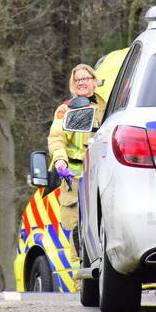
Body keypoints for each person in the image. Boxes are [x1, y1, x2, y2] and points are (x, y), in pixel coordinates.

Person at [48, 64, 107, 281]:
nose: (81, 83)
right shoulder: (69, 109)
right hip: (75, 176)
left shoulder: (107, 106)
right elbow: (57, 139)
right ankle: (84, 280)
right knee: (76, 228)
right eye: (77, 80)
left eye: (85, 78)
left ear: (94, 81)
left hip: (102, 173)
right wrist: (60, 161)